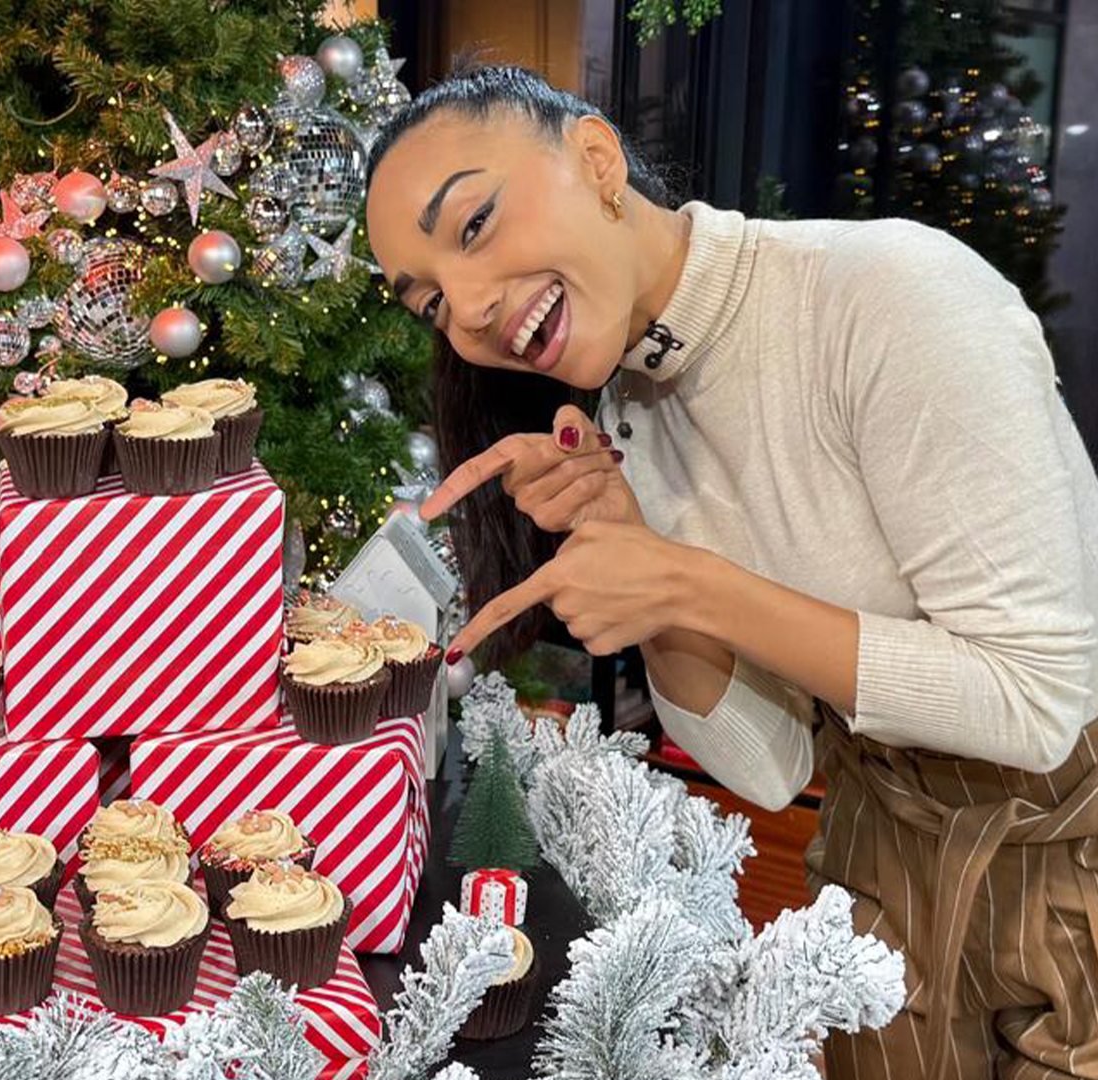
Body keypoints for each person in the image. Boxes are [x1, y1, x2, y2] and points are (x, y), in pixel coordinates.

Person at [365, 62, 1098, 1079]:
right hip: (879, 854)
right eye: (431, 302)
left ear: (596, 158)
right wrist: (633, 551)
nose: (472, 308)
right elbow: (771, 767)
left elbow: (1039, 700)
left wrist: (684, 583)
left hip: (1076, 848)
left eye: (476, 224)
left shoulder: (893, 295)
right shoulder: (628, 411)